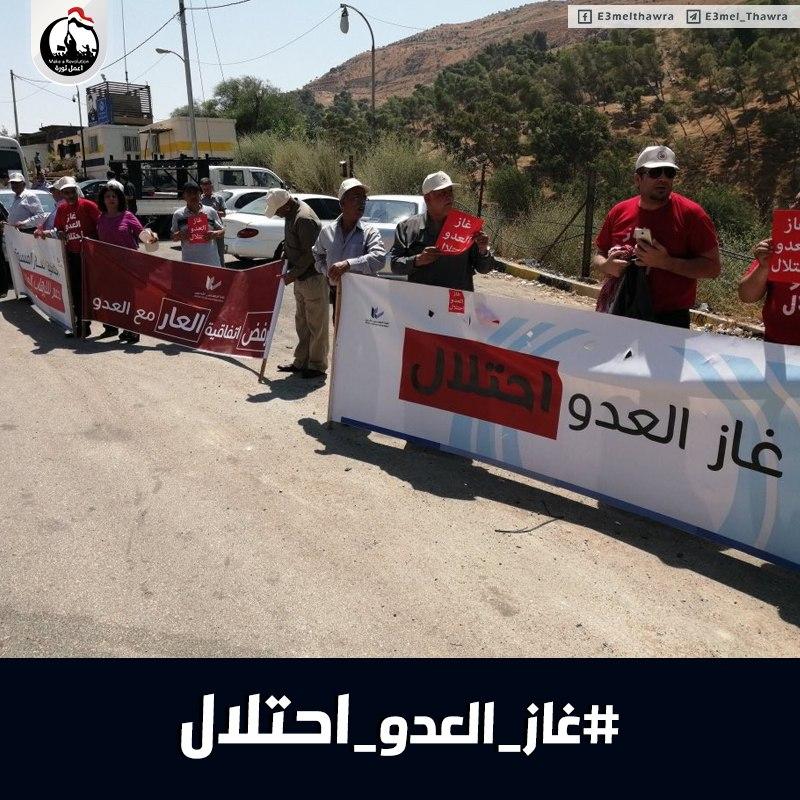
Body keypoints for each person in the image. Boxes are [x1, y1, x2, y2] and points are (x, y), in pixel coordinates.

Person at [593, 145, 721, 328]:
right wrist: (606, 265)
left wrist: (666, 262)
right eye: (655, 172)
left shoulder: (692, 215)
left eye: (669, 173)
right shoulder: (619, 211)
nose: (663, 178)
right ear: (638, 179)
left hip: (669, 320)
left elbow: (713, 268)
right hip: (619, 310)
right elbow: (599, 254)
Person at [390, 171, 495, 290]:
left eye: (450, 191)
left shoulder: (467, 227)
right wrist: (418, 260)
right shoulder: (407, 228)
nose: (449, 196)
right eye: (442, 193)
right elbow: (395, 265)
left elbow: (484, 269)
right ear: (427, 198)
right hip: (421, 298)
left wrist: (483, 250)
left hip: (455, 299)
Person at [265, 188, 327, 380]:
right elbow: (291, 242)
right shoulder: (290, 213)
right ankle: (301, 361)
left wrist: (291, 275)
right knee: (302, 322)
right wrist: (284, 257)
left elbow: (310, 254)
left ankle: (317, 365)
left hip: (312, 277)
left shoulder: (304, 218)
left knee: (316, 324)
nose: (276, 214)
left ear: (286, 205)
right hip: (300, 277)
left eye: (277, 210)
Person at [313, 177, 386, 322]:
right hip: (337, 295)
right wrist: (326, 271)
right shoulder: (327, 231)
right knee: (339, 333)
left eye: (364, 199)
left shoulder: (369, 232)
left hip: (364, 298)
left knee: (362, 335)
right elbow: (317, 253)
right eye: (356, 198)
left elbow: (379, 258)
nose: (361, 203)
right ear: (342, 203)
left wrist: (348, 264)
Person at [35, 176, 100, 337]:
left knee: (93, 290)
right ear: (62, 194)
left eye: (72, 192)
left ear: (76, 191)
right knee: (76, 291)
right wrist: (51, 232)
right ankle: (82, 325)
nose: (70, 195)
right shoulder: (62, 209)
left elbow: (101, 225)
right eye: (66, 193)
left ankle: (108, 325)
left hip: (90, 256)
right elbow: (59, 229)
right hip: (72, 255)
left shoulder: (88, 205)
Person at [738, 191, 800, 346]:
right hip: (775, 346)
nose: (794, 207)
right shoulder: (779, 247)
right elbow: (747, 296)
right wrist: (763, 266)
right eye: (795, 202)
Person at [96, 182, 152, 344]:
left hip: (128, 265)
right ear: (103, 200)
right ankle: (116, 326)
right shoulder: (101, 218)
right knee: (113, 297)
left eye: (114, 196)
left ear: (119, 199)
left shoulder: (127, 215)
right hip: (109, 265)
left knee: (129, 298)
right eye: (107, 196)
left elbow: (141, 233)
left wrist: (151, 238)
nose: (111, 199)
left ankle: (133, 330)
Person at [170, 180, 224, 267]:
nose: (193, 196)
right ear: (184, 196)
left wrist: (215, 234)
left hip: (211, 263)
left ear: (200, 194)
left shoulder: (211, 211)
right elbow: (173, 236)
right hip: (190, 263)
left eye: (195, 193)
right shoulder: (178, 215)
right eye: (189, 193)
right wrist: (179, 235)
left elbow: (222, 231)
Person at [199, 176, 226, 266]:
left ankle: (222, 270)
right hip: (203, 229)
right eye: (204, 189)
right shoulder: (199, 199)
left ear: (211, 186)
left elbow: (224, 213)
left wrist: (212, 212)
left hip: (217, 229)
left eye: (208, 188)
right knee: (205, 253)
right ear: (201, 188)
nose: (206, 190)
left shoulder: (219, 198)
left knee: (219, 253)